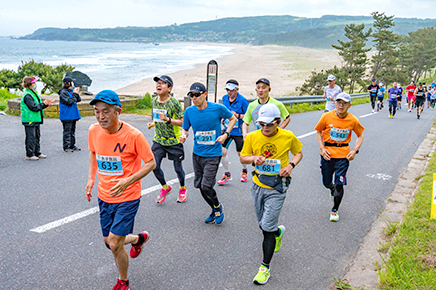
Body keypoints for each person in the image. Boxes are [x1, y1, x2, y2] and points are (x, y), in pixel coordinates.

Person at [85, 90, 156, 290]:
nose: (100, 117)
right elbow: (93, 153)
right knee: (109, 241)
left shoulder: (133, 135)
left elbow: (151, 163)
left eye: (106, 111)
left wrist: (128, 181)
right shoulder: (93, 130)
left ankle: (123, 281)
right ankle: (139, 238)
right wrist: (91, 178)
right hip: (104, 195)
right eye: (97, 112)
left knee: (116, 243)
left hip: (128, 196)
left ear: (118, 111)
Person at [240, 103, 303, 285]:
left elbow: (298, 153)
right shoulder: (252, 137)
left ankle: (264, 267)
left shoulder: (287, 136)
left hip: (277, 186)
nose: (265, 128)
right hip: (258, 184)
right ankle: (278, 232)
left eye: (269, 124)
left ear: (278, 122)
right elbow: (243, 157)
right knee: (263, 225)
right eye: (261, 124)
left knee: (266, 227)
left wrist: (290, 166)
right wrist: (253, 159)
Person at [180, 82, 236, 224]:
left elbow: (233, 119)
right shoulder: (189, 112)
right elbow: (185, 128)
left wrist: (225, 134)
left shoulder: (217, 108)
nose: (194, 98)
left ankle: (217, 207)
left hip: (213, 153)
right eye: (191, 95)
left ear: (205, 94)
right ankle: (214, 209)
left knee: (206, 186)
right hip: (197, 153)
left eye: (196, 95)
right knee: (200, 186)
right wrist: (184, 135)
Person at [315, 92, 364, 222]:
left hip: (343, 156)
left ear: (349, 105)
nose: (341, 106)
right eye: (338, 102)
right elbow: (319, 131)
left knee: (339, 183)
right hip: (327, 154)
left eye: (344, 103)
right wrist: (322, 148)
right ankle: (331, 189)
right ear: (335, 103)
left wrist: (354, 150)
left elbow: (360, 135)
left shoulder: (353, 120)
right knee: (326, 182)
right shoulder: (326, 116)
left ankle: (335, 209)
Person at [147, 75, 187, 203]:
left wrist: (168, 120)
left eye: (163, 83)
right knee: (154, 165)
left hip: (173, 141)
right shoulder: (154, 101)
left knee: (177, 168)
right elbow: (157, 118)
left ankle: (182, 188)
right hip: (159, 140)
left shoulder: (174, 102)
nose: (159, 85)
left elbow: (182, 122)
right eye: (158, 83)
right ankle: (165, 187)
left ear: (169, 88)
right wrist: (153, 123)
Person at [217, 79, 249, 185]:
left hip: (238, 131)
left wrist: (238, 116)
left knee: (240, 154)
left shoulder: (243, 101)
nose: (229, 92)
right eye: (227, 90)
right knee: (222, 151)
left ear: (237, 89)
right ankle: (227, 174)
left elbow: (248, 116)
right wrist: (223, 118)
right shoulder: (224, 98)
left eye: (231, 90)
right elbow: (224, 111)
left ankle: (244, 171)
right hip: (227, 129)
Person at [20, 76, 54, 161]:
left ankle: (37, 152)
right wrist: (44, 104)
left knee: (37, 136)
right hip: (29, 119)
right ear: (29, 84)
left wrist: (45, 104)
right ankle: (30, 154)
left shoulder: (33, 92)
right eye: (33, 83)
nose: (35, 84)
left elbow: (38, 105)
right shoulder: (27, 95)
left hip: (35, 118)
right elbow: (33, 107)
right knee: (31, 137)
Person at [58, 76, 81, 153]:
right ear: (68, 83)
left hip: (73, 115)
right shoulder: (63, 92)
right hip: (66, 115)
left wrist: (76, 94)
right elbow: (69, 101)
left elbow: (78, 100)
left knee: (72, 131)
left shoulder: (71, 91)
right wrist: (74, 94)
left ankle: (72, 145)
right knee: (67, 131)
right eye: (71, 82)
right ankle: (66, 146)